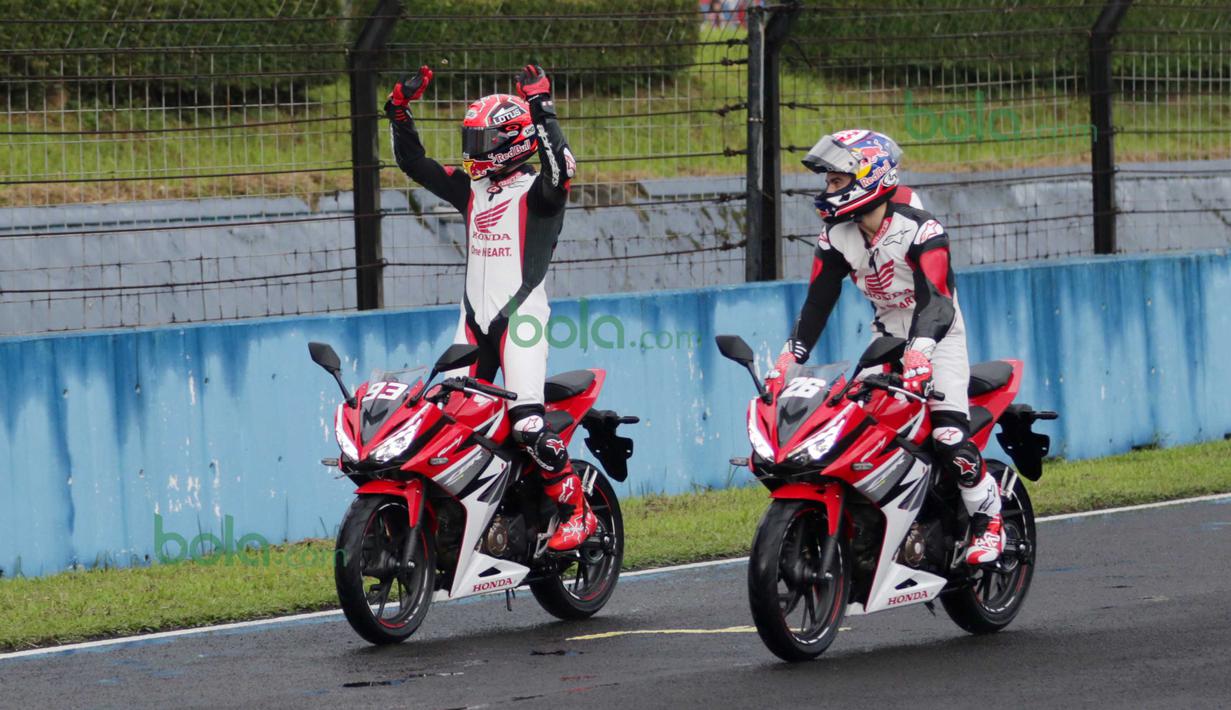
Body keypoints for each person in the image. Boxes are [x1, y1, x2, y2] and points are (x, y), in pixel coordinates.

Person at [385, 63, 594, 552]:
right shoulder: (471, 189)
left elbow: (562, 168)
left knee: (527, 424)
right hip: (472, 323)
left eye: (480, 141)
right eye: (470, 139)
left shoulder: (541, 194)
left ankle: (577, 510)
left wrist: (542, 107)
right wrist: (398, 111)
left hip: (521, 322)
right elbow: (413, 163)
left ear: (512, 142)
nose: (471, 151)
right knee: (444, 419)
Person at [778, 129, 1003, 565]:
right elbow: (817, 303)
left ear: (870, 176)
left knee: (948, 434)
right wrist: (791, 355)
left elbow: (937, 300)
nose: (827, 190)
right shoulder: (836, 234)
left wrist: (920, 352)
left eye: (837, 180)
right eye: (828, 181)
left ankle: (987, 518)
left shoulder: (920, 228)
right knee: (853, 426)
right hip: (886, 338)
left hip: (938, 336)